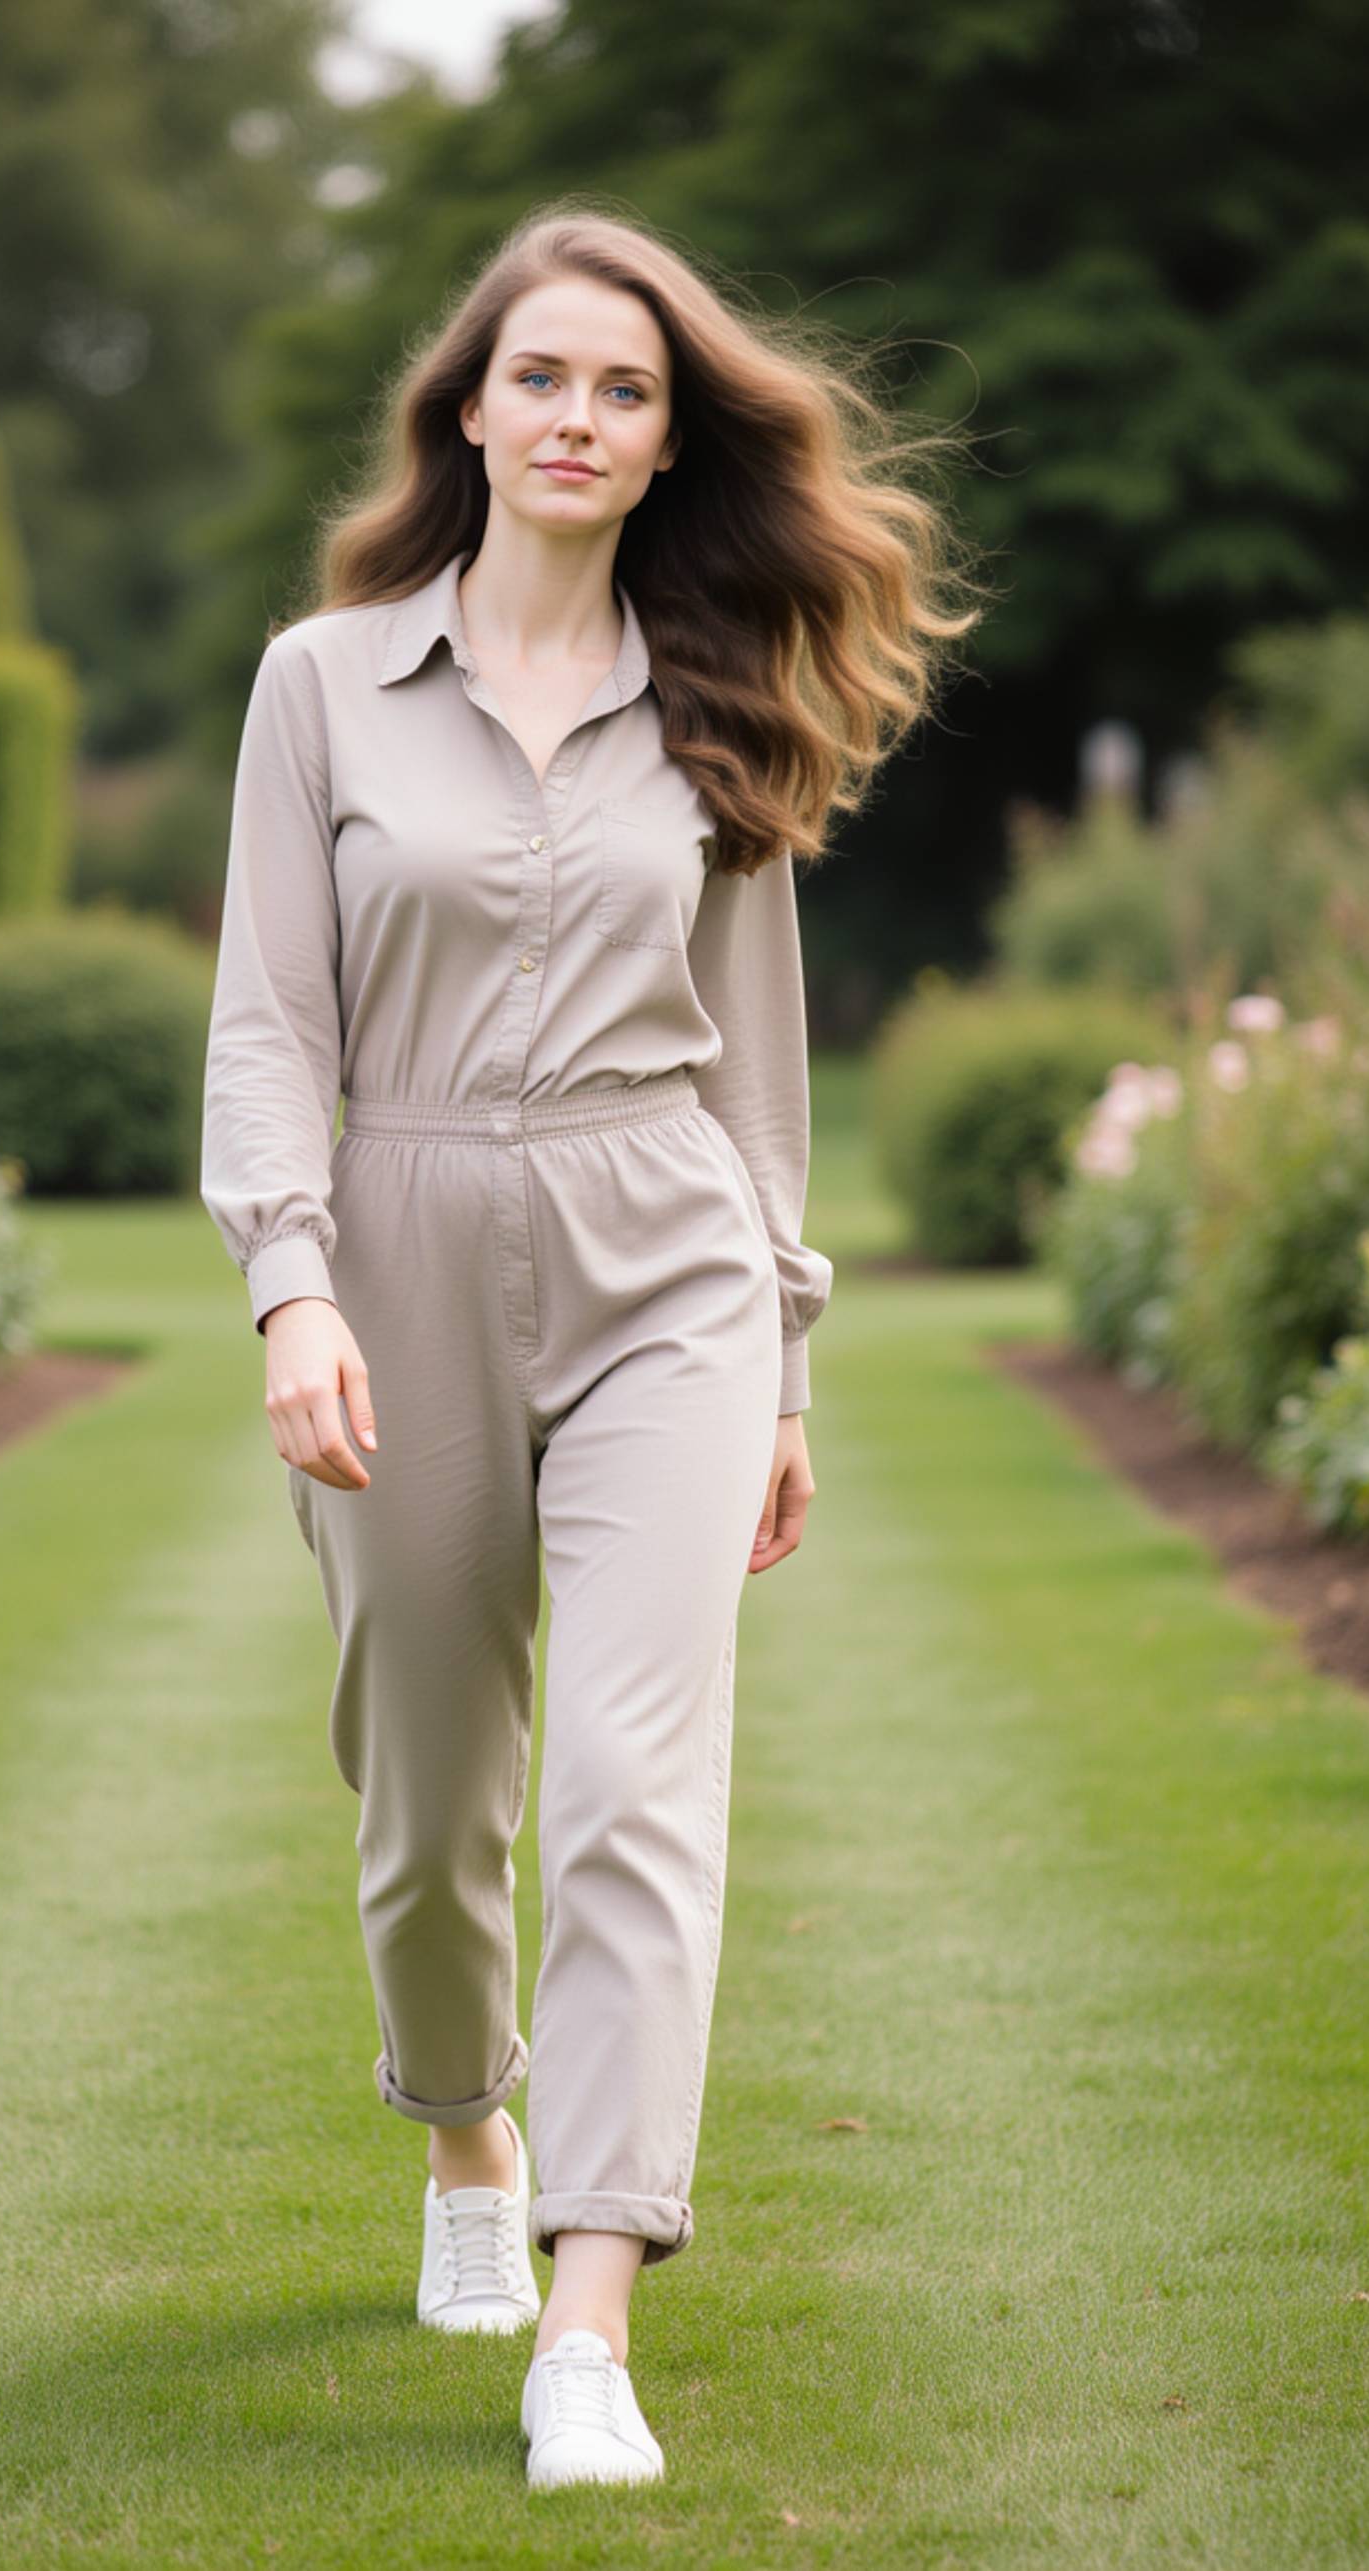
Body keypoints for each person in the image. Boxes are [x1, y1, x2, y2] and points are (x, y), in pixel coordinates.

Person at [199, 204, 980, 2490]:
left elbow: (756, 1070)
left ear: (663, 448)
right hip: (402, 1234)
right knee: (432, 1791)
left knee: (645, 1789)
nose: (578, 416)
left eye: (625, 391)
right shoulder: (318, 682)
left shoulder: (722, 692)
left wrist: (792, 1360)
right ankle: (463, 2139)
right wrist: (293, 1282)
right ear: (469, 406)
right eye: (541, 376)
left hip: (669, 1261)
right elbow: (266, 1024)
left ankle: (586, 2306)